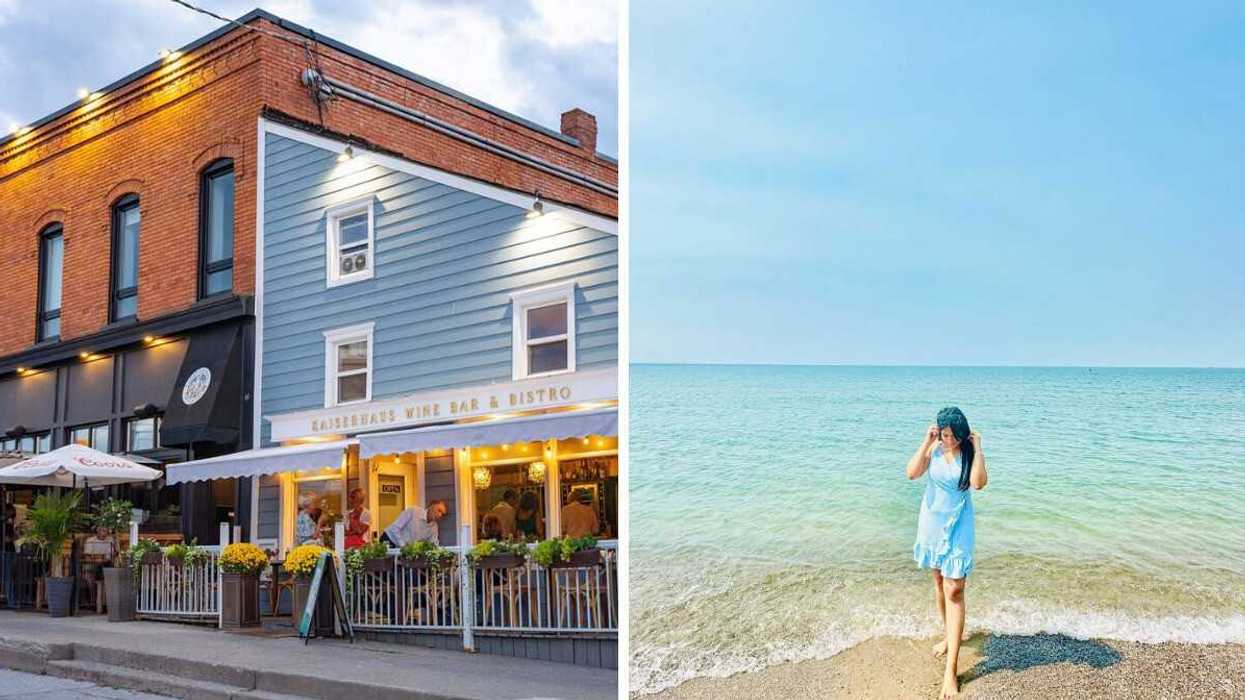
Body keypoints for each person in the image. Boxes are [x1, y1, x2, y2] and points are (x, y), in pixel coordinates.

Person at [906, 406, 988, 700]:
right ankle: (949, 636)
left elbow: (978, 483)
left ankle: (950, 670)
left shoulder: (969, 451)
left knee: (955, 589)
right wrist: (927, 441)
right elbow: (911, 473)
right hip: (932, 522)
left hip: (958, 524)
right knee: (940, 582)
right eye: (944, 435)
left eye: (953, 435)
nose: (949, 440)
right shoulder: (935, 447)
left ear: (962, 434)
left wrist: (978, 448)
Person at [381, 500, 447, 547]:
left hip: (403, 547)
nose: (440, 515)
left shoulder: (434, 527)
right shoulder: (413, 511)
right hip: (389, 539)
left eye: (442, 514)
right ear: (431, 506)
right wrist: (403, 546)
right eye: (439, 510)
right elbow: (394, 528)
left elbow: (434, 544)